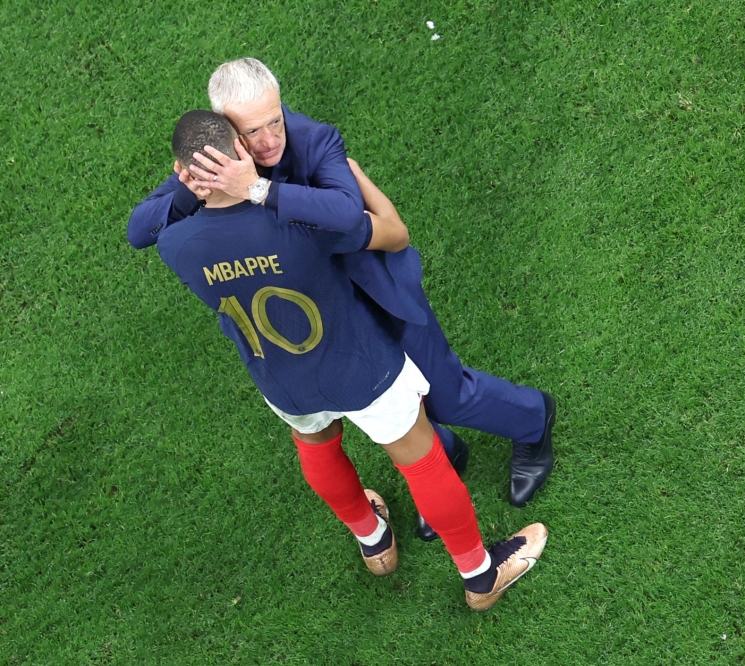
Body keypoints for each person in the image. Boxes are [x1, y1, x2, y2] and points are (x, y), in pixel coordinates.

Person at [128, 58, 555, 522]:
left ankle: (534, 418)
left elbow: (349, 215)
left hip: (373, 286)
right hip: (326, 307)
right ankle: (446, 458)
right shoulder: (217, 159)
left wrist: (256, 189)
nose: (271, 140)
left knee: (444, 394)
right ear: (228, 133)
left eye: (276, 120)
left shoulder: (315, 140)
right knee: (402, 404)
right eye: (254, 131)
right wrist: (189, 194)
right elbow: (138, 230)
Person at [156, 109, 547, 611]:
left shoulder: (172, 243)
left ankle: (374, 544)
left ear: (181, 170)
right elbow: (392, 233)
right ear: (242, 152)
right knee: (421, 461)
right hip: (359, 367)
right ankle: (480, 576)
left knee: (316, 447)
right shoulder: (301, 221)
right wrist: (356, 177)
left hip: (280, 378)